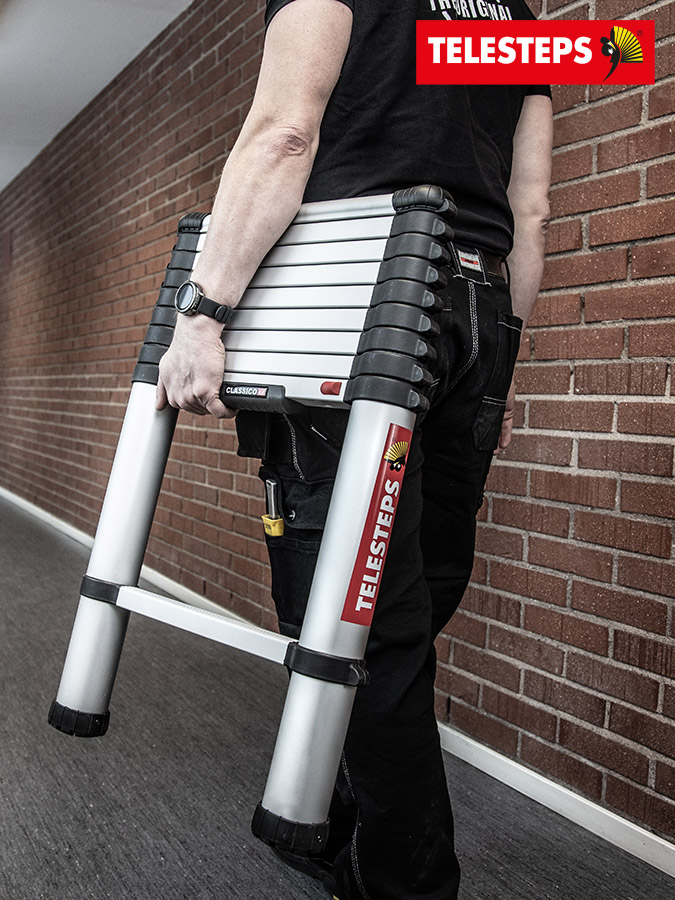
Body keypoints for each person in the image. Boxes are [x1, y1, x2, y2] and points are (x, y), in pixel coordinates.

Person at [157, 1, 553, 897]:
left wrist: (204, 311)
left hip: (354, 294)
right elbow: (529, 212)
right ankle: (341, 820)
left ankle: (406, 880)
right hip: (480, 304)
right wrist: (494, 365)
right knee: (417, 585)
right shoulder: (518, 17)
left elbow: (284, 132)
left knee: (353, 609)